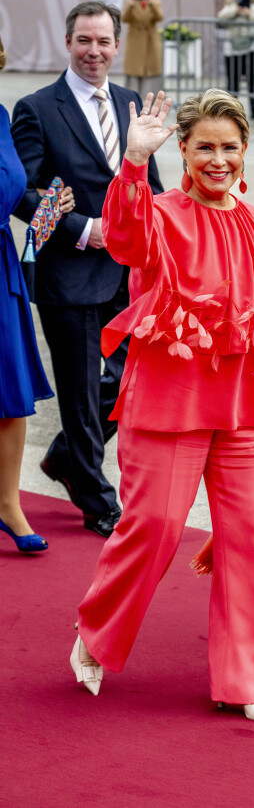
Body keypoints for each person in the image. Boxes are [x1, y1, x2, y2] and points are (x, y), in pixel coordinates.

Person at [69, 88, 254, 724]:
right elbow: (123, 240)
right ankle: (95, 637)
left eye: (230, 147)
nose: (218, 159)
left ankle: (245, 681)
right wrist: (132, 164)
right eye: (205, 147)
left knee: (250, 542)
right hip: (169, 403)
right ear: (184, 149)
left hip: (248, 407)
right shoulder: (161, 214)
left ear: (245, 151)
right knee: (153, 530)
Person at [11, 1, 163, 538]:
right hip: (69, 272)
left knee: (132, 382)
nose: (93, 51)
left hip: (130, 274)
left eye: (102, 41)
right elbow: (20, 192)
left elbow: (154, 187)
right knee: (80, 388)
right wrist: (81, 227)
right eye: (83, 41)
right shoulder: (36, 108)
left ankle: (65, 456)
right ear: (68, 42)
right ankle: (98, 499)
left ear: (117, 45)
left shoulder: (129, 103)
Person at [0, 36, 63, 554]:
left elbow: (15, 194)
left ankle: (7, 503)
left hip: (1, 268)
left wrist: (48, 209)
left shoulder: (0, 116)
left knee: (10, 393)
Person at [217, 0, 254, 120]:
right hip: (233, 48)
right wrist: (236, 10)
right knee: (233, 82)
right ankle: (232, 113)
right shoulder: (231, 6)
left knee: (253, 81)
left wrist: (249, 13)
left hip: (253, 47)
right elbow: (221, 18)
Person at [121, 0, 164, 100]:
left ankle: (150, 103)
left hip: (150, 44)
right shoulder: (130, 3)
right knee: (134, 75)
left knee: (150, 74)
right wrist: (131, 5)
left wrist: (151, 4)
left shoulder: (155, 3)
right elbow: (124, 18)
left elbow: (159, 17)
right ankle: (131, 101)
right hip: (135, 44)